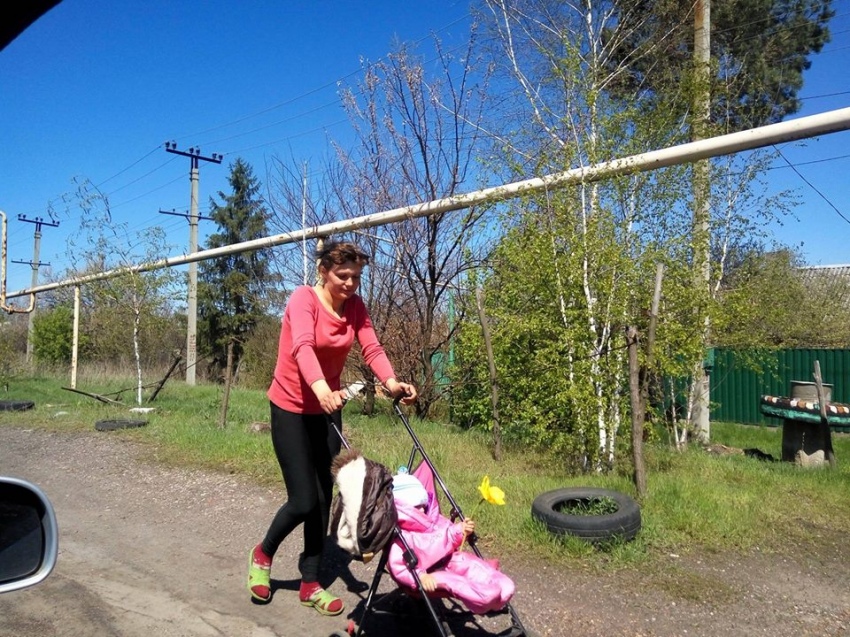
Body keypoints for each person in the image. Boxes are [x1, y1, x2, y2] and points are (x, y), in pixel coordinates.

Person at [247, 240, 417, 615]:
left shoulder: (355, 307)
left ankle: (311, 584)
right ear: (324, 271)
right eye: (343, 276)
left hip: (327, 409)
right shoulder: (302, 300)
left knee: (325, 501)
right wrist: (322, 388)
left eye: (356, 277)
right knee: (303, 499)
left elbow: (371, 348)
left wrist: (392, 383)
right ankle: (262, 555)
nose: (351, 284)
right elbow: (302, 348)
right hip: (291, 406)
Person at [387, 469, 515, 615]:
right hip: (428, 573)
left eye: (423, 504)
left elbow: (448, 534)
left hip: (449, 560)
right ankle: (485, 600)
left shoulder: (433, 518)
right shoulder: (402, 536)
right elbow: (399, 567)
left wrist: (461, 530)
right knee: (458, 583)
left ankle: (499, 587)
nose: (422, 509)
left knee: (471, 564)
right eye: (416, 507)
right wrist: (420, 576)